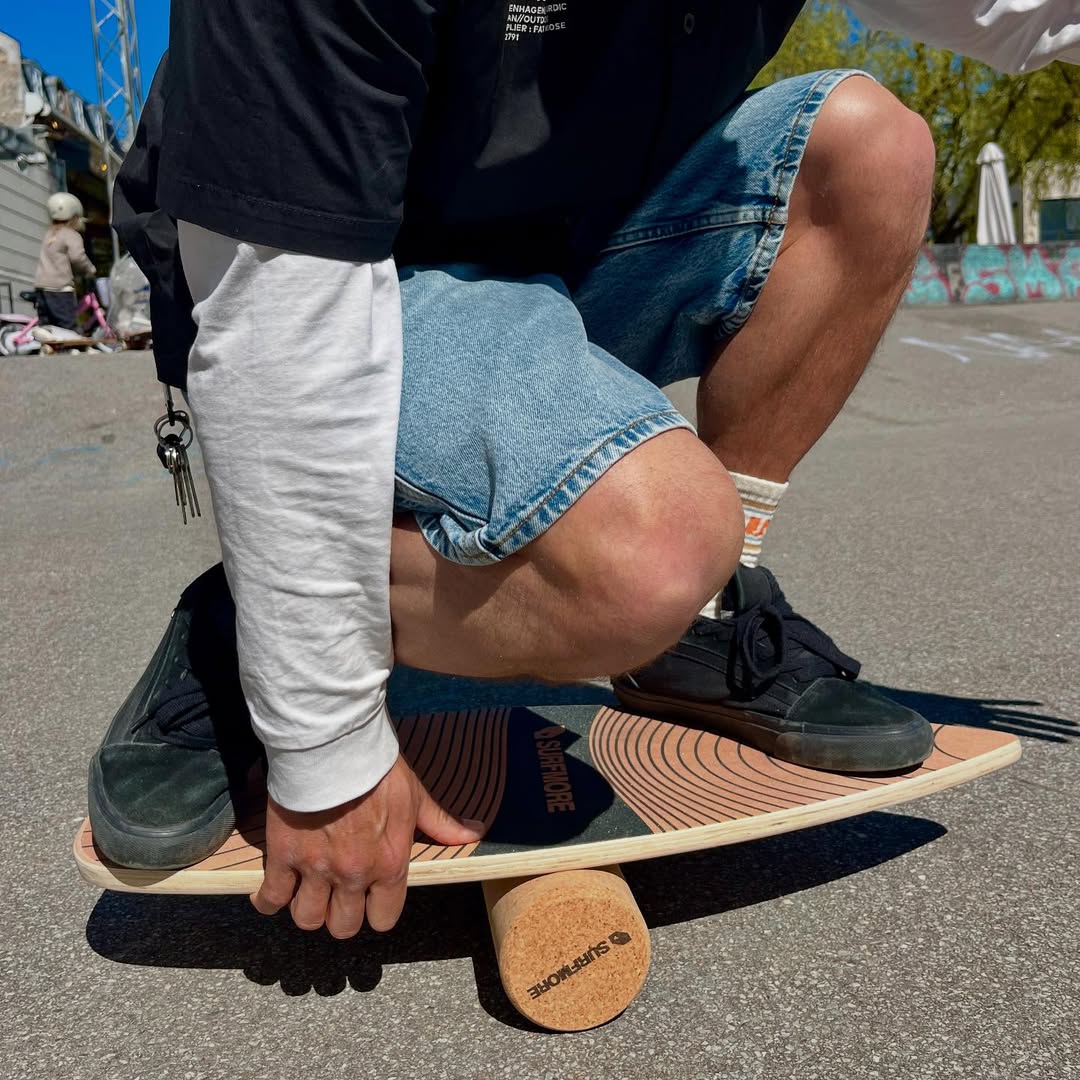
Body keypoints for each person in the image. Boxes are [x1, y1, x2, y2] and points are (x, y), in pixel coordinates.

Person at [102, 1, 1079, 941]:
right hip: (351, 273)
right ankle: (241, 633)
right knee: (652, 551)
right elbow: (282, 316)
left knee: (874, 150)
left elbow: (1013, 10)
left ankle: (694, 626)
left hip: (569, 243)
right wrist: (322, 743)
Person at [33, 192, 96, 331]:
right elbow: (77, 258)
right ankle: (73, 348)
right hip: (60, 288)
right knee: (68, 326)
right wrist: (90, 269)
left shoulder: (49, 234)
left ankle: (48, 348)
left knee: (48, 326)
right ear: (74, 216)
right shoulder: (71, 235)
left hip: (41, 287)